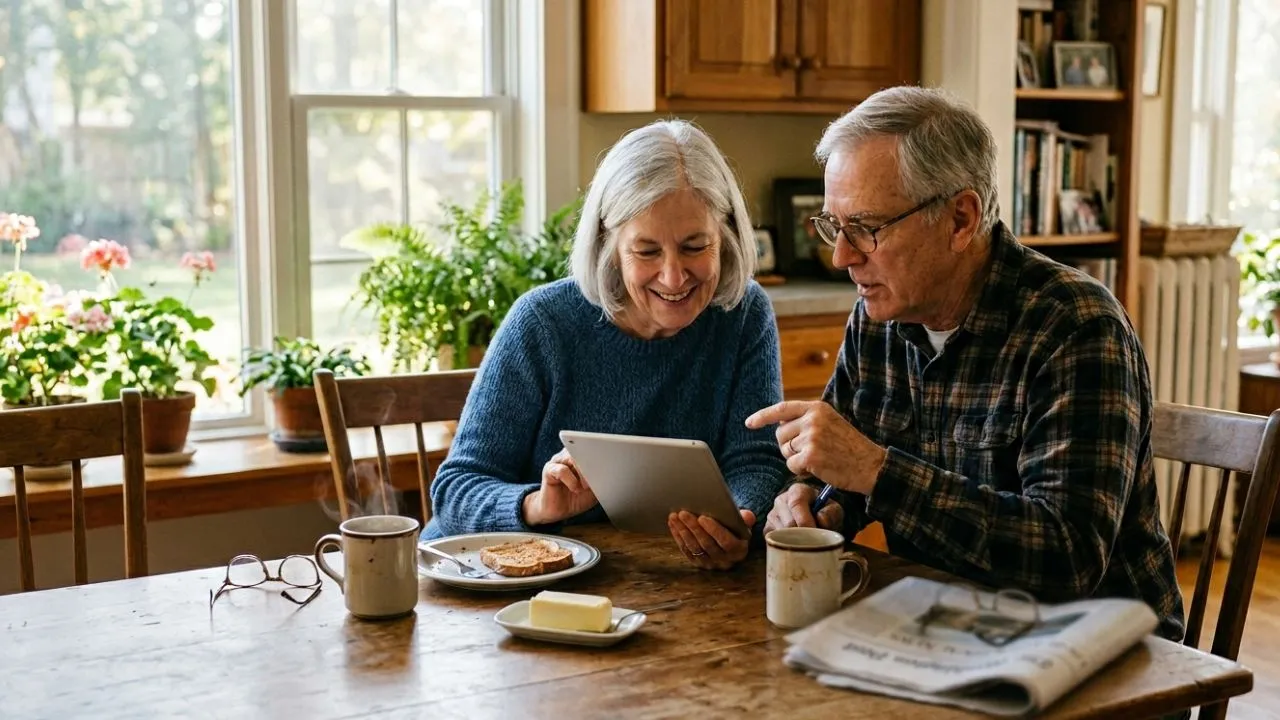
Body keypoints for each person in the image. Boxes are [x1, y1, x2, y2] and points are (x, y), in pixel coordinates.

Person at [746, 86, 1185, 640]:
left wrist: (877, 472)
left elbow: (1067, 561)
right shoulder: (878, 316)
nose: (842, 256)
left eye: (867, 228)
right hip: (947, 627)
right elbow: (844, 468)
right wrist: (815, 503)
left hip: (1098, 651)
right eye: (835, 227)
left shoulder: (1076, 327)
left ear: (960, 219)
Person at [426, 119, 788, 570]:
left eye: (695, 246)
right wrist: (539, 505)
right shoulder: (543, 323)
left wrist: (740, 522)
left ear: (728, 236)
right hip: (493, 585)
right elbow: (456, 490)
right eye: (647, 251)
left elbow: (755, 460)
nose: (674, 277)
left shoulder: (743, 314)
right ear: (608, 244)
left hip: (658, 580)